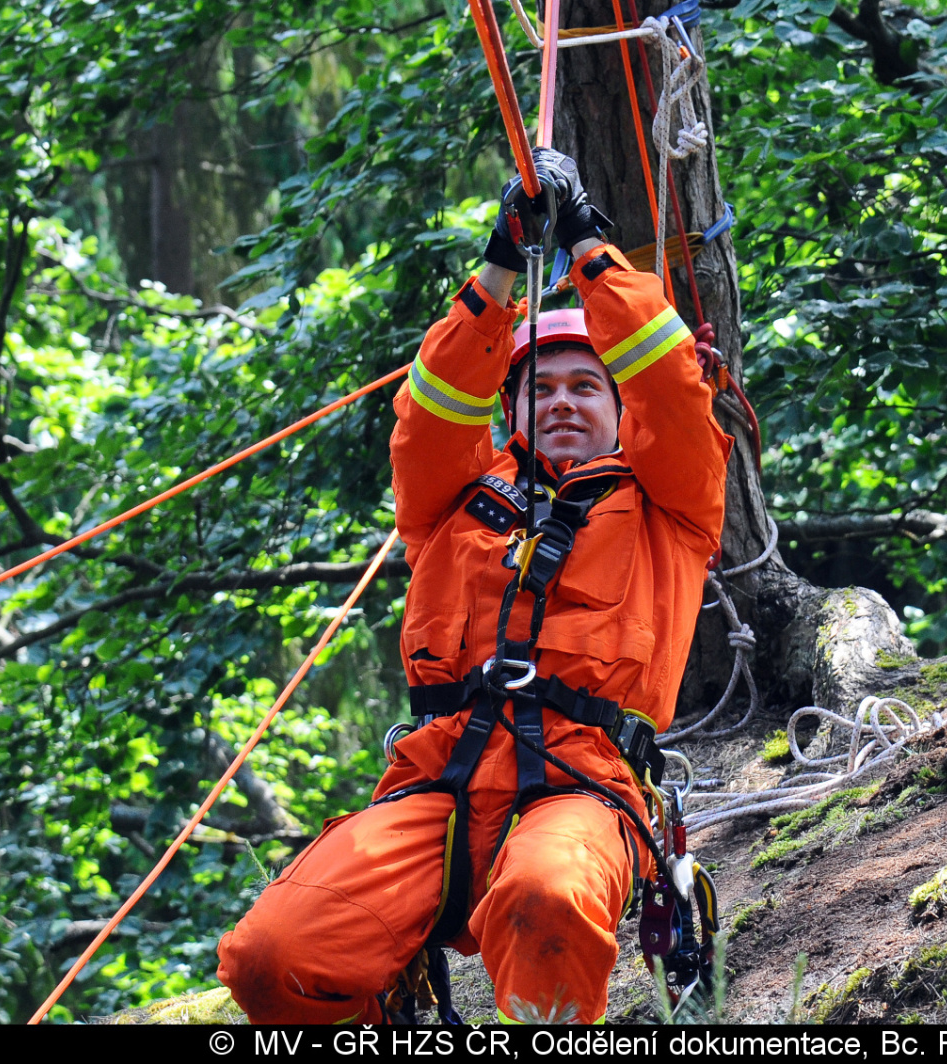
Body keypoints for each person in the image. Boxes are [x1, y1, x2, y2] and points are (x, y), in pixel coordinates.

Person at [216, 148, 731, 1024]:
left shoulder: (669, 506)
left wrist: (584, 245)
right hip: (438, 784)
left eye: (586, 387)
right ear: (511, 410)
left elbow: (671, 385)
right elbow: (434, 409)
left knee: (548, 899)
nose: (564, 402)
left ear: (619, 410)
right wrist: (501, 262)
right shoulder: (454, 504)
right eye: (541, 389)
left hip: (582, 781)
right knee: (271, 959)